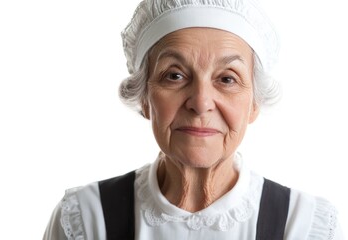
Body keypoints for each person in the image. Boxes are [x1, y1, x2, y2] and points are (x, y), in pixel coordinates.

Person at [43, 0, 344, 239]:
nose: (201, 103)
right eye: (174, 75)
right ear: (144, 98)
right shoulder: (86, 219)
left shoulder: (302, 226)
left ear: (254, 104)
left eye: (227, 79)